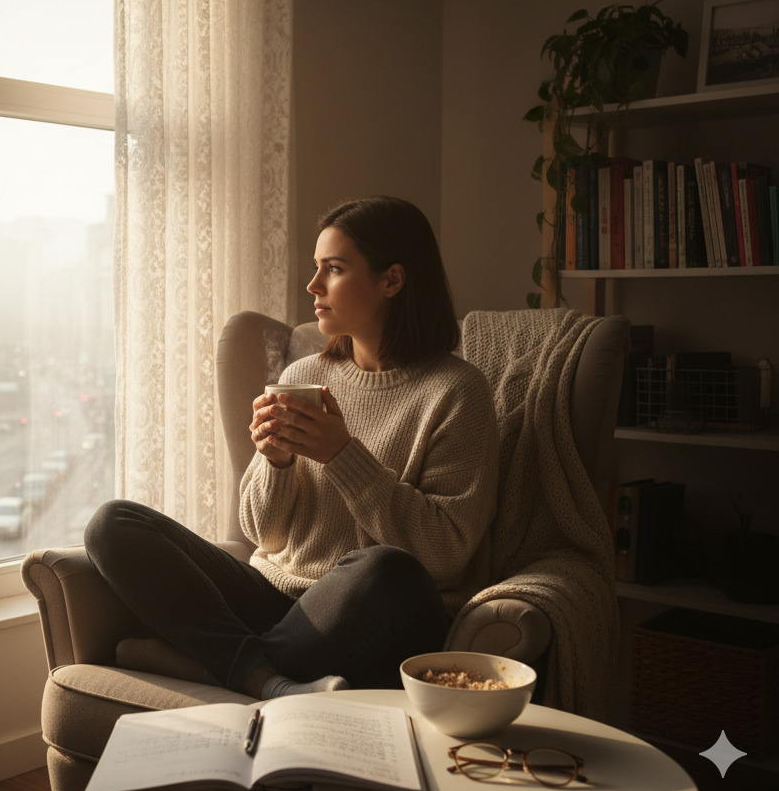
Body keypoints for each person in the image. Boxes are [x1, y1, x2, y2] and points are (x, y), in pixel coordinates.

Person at [85, 196, 499, 700]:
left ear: (391, 280)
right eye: (315, 268)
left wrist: (343, 456)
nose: (313, 286)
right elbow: (267, 535)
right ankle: (265, 676)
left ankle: (211, 662)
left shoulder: (458, 392)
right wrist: (276, 462)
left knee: (386, 569)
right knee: (113, 523)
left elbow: (446, 555)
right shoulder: (304, 376)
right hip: (277, 598)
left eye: (335, 269)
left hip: (362, 611)